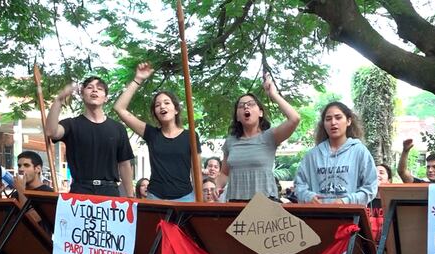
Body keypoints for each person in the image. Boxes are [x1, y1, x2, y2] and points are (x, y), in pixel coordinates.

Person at [114, 63, 201, 201]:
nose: (162, 106)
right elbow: (120, 108)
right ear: (155, 113)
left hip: (185, 197)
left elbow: (196, 172)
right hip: (155, 196)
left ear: (176, 109)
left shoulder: (190, 136)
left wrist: (199, 200)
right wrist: (138, 79)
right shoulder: (151, 133)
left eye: (167, 103)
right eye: (157, 105)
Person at [215, 75, 300, 202]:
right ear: (238, 117)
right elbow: (224, 173)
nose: (246, 107)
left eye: (251, 104)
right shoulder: (230, 141)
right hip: (235, 202)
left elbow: (294, 119)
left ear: (260, 113)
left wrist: (273, 94)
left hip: (266, 202)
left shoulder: (270, 136)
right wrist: (216, 186)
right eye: (241, 106)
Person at [45, 76, 135, 197]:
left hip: (109, 191)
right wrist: (59, 100)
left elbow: (124, 164)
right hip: (80, 189)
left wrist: (130, 196)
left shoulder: (118, 128)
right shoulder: (71, 124)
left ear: (106, 98)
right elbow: (51, 132)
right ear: (82, 95)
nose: (94, 90)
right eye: (89, 87)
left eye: (99, 88)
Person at [294, 102, 377, 205]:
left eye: (338, 118)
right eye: (328, 119)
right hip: (317, 217)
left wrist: (346, 201)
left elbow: (371, 187)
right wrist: (308, 197)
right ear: (323, 124)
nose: (333, 122)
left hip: (351, 217)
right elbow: (299, 185)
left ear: (348, 121)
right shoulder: (312, 156)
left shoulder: (360, 152)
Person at [368, 163, 393, 242]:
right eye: (374, 173)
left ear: (389, 181)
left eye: (381, 173)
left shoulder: (392, 202)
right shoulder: (364, 200)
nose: (377, 175)